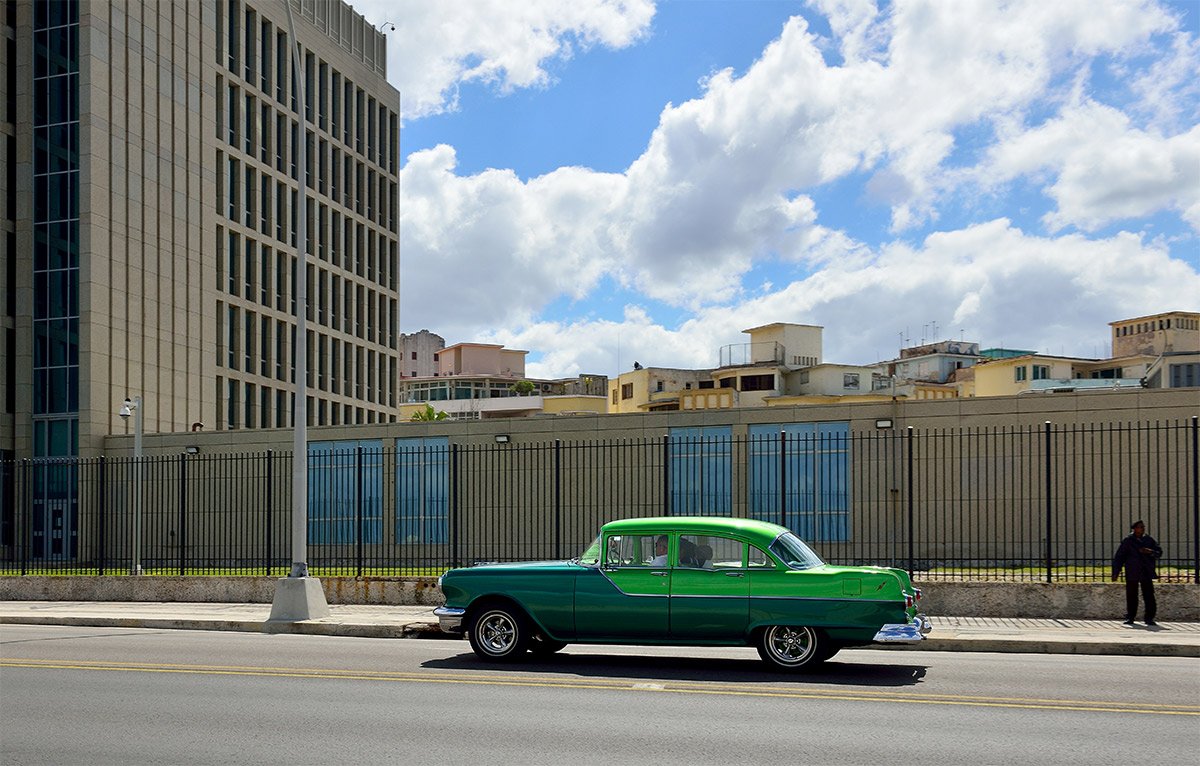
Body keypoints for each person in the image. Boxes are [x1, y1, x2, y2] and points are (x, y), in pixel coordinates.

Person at [1111, 520, 1162, 626]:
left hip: (1146, 571)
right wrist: (1116, 572)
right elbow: (1120, 557)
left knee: (1149, 595)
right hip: (1132, 571)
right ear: (1134, 529)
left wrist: (1150, 552)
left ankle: (1149, 618)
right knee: (1131, 595)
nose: (1142, 529)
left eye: (1143, 527)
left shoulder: (1148, 540)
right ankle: (1130, 617)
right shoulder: (1128, 541)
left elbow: (1159, 552)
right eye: (1140, 527)